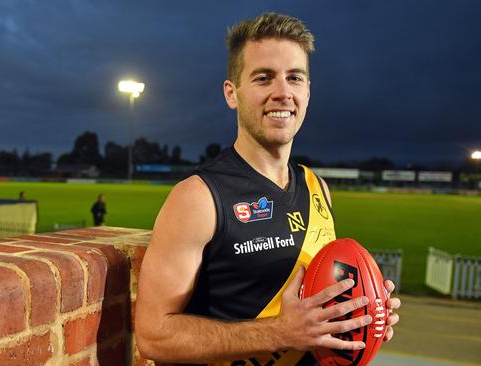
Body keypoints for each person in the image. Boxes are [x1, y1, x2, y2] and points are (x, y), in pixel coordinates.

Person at [135, 12, 401, 366]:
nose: (282, 92)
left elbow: (312, 311)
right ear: (232, 93)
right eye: (264, 78)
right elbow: (154, 336)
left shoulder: (316, 186)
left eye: (295, 78)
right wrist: (280, 332)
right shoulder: (198, 197)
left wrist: (363, 316)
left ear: (307, 91)